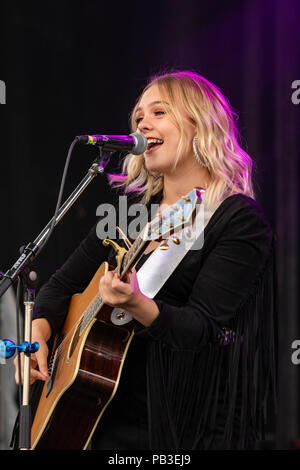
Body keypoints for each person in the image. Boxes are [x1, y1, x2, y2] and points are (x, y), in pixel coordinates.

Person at [13, 70, 277, 450]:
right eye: (138, 117)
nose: (143, 123)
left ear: (199, 123)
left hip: (173, 426)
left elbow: (205, 331)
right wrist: (38, 334)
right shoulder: (125, 213)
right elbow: (60, 286)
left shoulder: (235, 219)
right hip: (97, 418)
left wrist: (136, 303)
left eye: (159, 112)